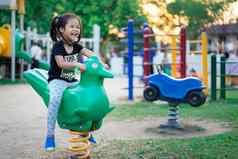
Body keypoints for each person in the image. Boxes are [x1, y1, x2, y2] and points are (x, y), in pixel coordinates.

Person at [45, 13, 104, 151]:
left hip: (72, 81)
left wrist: (101, 63)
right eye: (72, 26)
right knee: (55, 100)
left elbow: (91, 54)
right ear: (61, 29)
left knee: (85, 100)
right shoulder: (58, 47)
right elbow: (61, 63)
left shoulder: (77, 46)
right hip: (57, 80)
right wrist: (78, 65)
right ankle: (49, 135)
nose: (76, 29)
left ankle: (86, 132)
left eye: (77, 27)